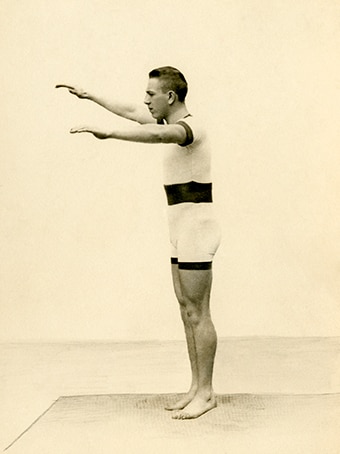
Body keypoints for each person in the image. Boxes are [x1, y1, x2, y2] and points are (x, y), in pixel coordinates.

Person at [56, 67, 221, 419]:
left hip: (197, 228)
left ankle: (206, 393)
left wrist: (111, 133)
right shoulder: (165, 122)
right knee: (186, 310)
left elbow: (160, 137)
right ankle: (196, 387)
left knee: (198, 311)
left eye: (150, 94)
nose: (145, 101)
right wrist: (90, 95)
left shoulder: (191, 128)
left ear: (171, 97)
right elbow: (134, 113)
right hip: (181, 228)